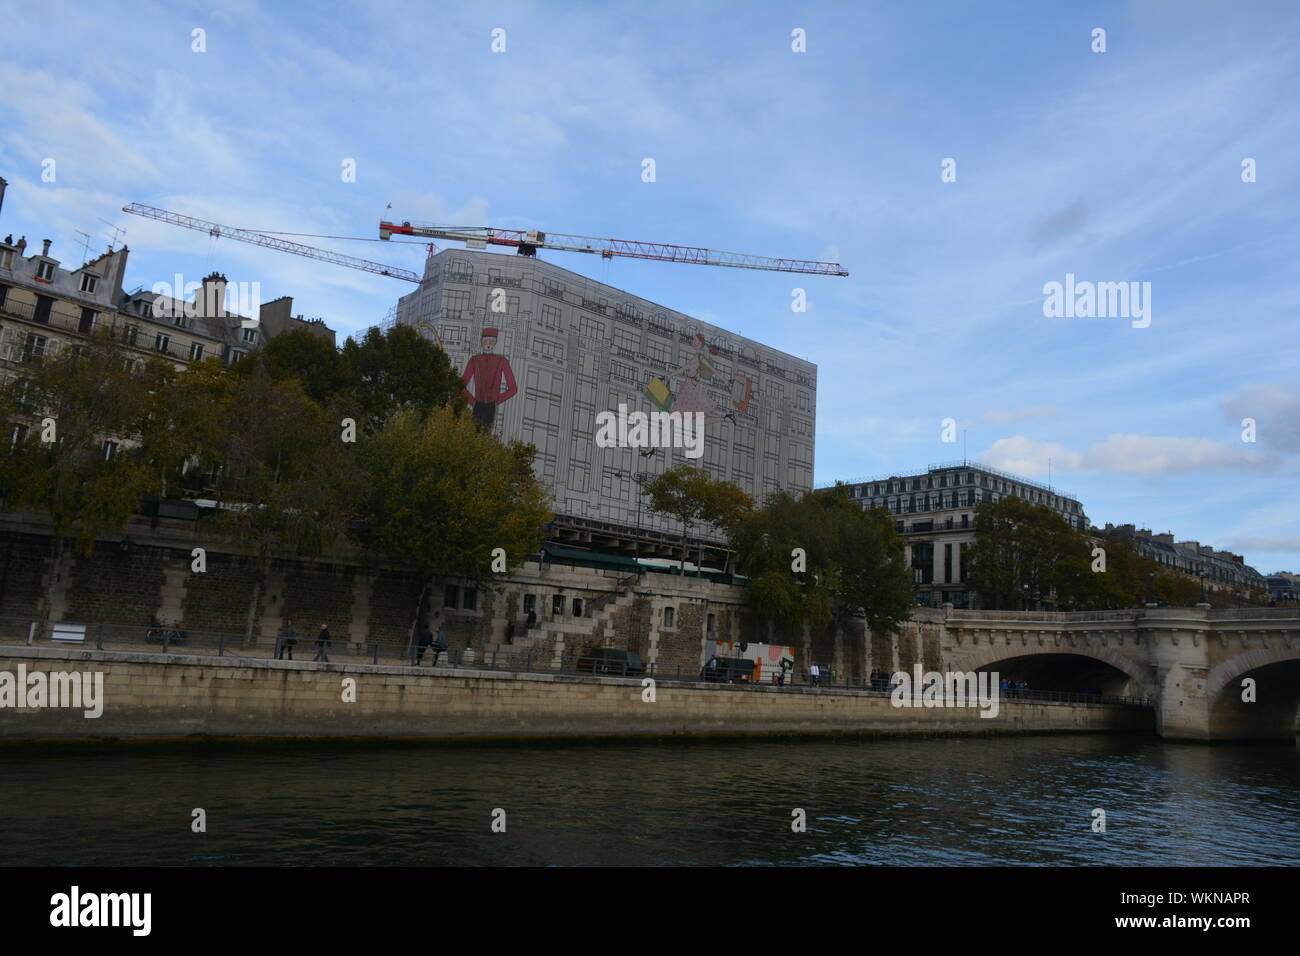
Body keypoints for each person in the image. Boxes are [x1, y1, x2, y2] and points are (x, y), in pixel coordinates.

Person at [461, 327, 518, 429]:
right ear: (481, 342)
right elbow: (461, 386)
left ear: (495, 343)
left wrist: (497, 400)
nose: (488, 344)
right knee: (473, 433)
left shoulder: (502, 361)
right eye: (486, 340)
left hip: (492, 405)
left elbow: (513, 389)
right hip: (477, 405)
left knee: (486, 436)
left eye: (491, 341)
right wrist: (473, 402)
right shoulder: (474, 360)